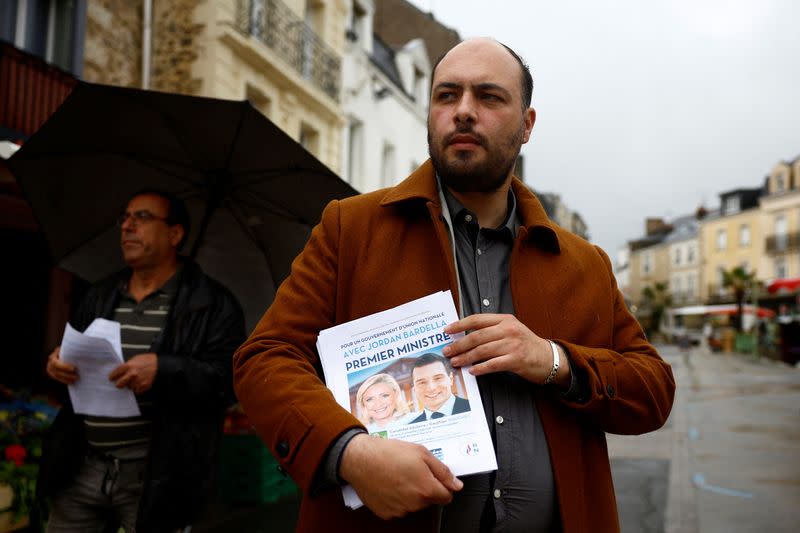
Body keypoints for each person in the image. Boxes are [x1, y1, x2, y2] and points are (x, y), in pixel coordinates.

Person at [233, 37, 675, 532]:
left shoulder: (584, 263)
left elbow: (652, 390)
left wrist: (552, 361)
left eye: (489, 97)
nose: (463, 111)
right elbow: (266, 358)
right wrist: (348, 452)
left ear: (527, 125)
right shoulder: (350, 229)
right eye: (447, 95)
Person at [39, 190, 245, 533]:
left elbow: (230, 381)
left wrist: (164, 369)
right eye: (125, 218)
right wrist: (57, 364)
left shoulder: (214, 305)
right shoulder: (100, 294)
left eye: (143, 217)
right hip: (84, 464)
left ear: (175, 234)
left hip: (158, 476)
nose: (127, 227)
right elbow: (70, 357)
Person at [409, 353, 470, 422]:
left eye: (437, 378)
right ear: (414, 389)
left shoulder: (474, 407)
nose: (431, 388)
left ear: (451, 379)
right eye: (422, 382)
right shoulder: (411, 425)